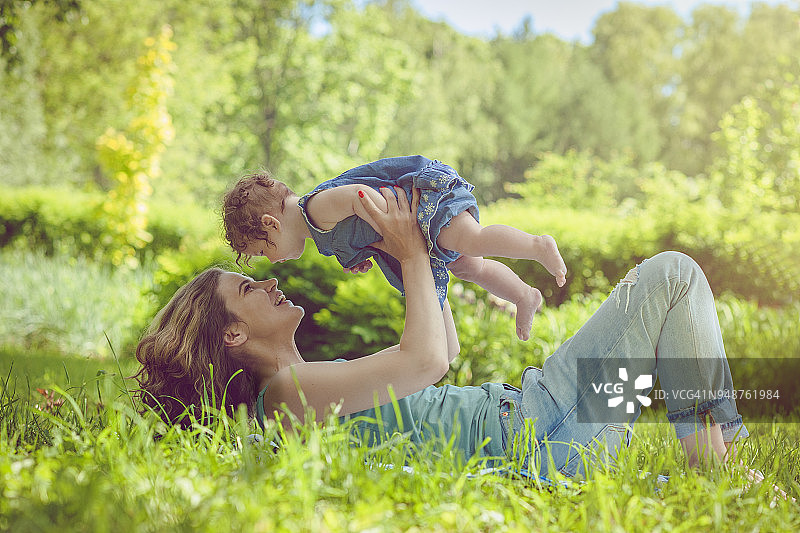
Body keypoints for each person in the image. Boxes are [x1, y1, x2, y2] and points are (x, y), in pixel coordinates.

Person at [136, 186, 777, 489]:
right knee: (672, 279)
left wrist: (430, 266)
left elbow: (440, 354)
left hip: (537, 412)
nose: (268, 284)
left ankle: (715, 459)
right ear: (236, 335)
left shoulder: (306, 386)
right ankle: (715, 468)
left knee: (667, 308)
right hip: (541, 438)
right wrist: (413, 252)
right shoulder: (286, 397)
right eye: (247, 290)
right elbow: (428, 359)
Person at [220, 155, 567, 341]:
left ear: (271, 224)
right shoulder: (319, 233)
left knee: (472, 240)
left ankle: (537, 245)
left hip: (423, 205)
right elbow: (359, 232)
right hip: (419, 231)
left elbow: (362, 197)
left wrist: (395, 230)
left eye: (263, 252)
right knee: (469, 267)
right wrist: (358, 255)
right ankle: (523, 296)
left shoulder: (315, 208)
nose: (272, 260)